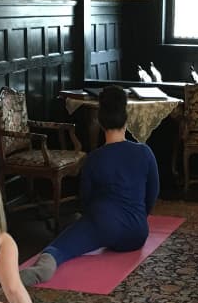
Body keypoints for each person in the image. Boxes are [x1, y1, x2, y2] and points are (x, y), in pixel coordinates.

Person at [20, 85, 160, 286]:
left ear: (100, 121)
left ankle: (43, 268)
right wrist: (138, 217)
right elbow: (152, 194)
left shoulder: (93, 159)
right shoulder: (145, 152)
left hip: (102, 225)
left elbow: (85, 200)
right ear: (126, 119)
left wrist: (97, 222)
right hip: (137, 233)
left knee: (59, 248)